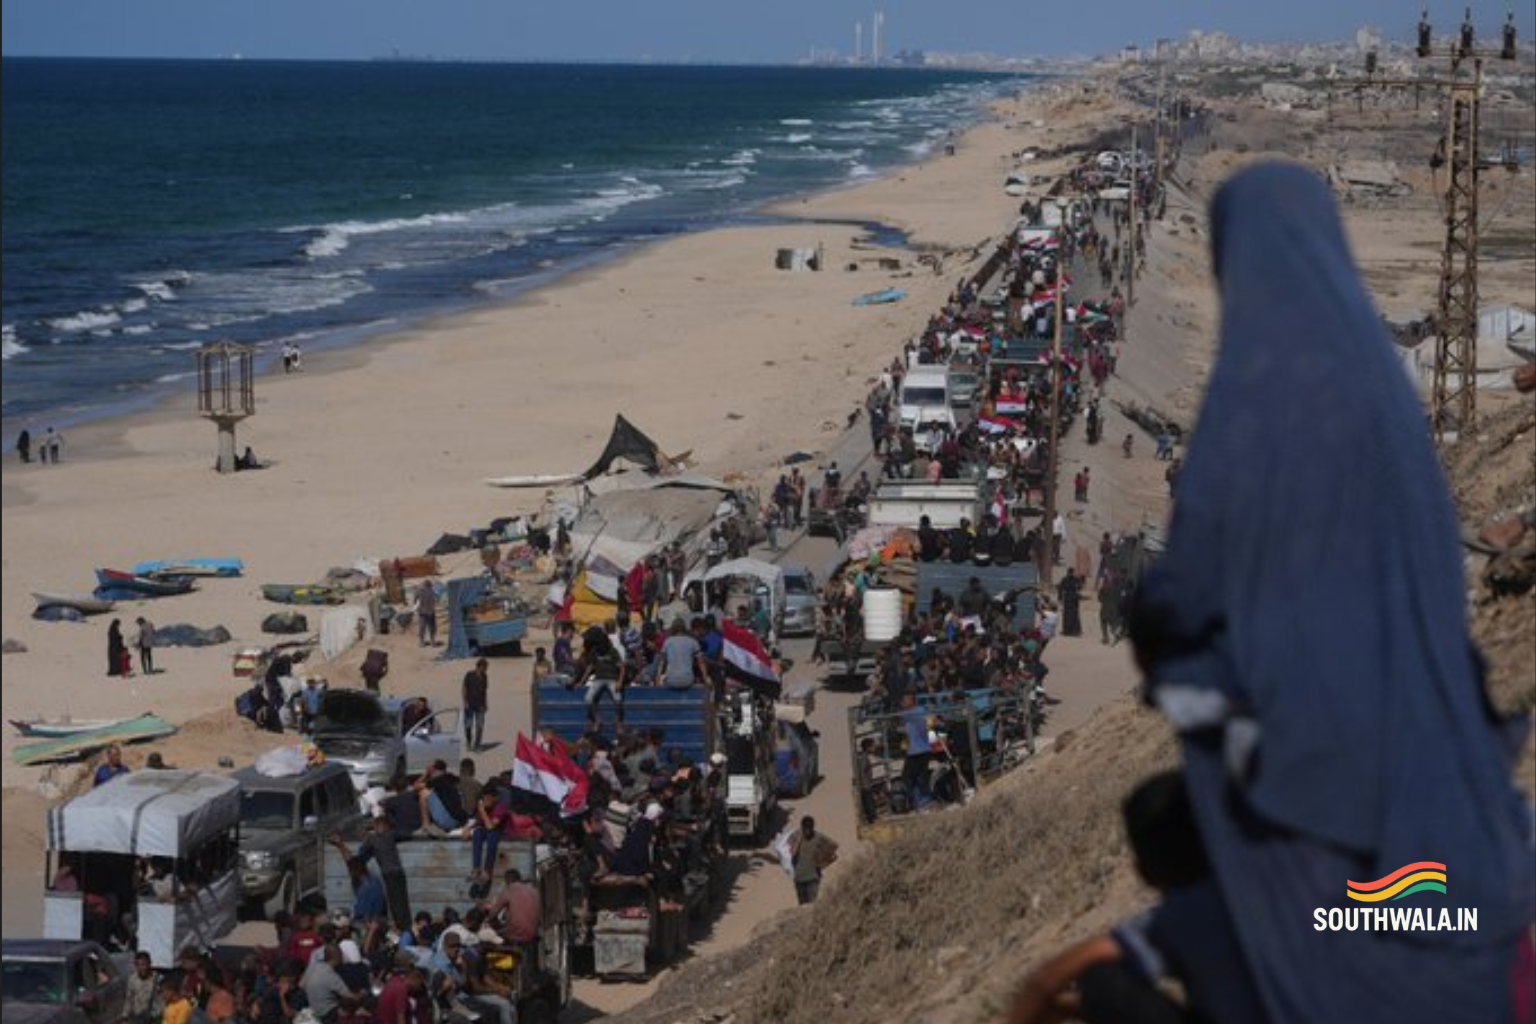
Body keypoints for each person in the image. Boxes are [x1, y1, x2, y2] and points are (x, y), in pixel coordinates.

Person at [1128, 164, 1534, 1022]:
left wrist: (1160, 632)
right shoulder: (1386, 395)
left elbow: (1187, 592)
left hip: (1298, 767)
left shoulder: (1251, 402)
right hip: (1428, 738)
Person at [992, 771, 1262, 1024]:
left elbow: (1046, 980)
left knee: (1102, 982)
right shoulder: (1274, 885)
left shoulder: (1182, 917)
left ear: (1143, 872)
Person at [331, 816, 411, 930]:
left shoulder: (372, 839)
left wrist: (364, 843)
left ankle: (401, 926)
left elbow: (359, 856)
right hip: (398, 872)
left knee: (396, 903)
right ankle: (404, 925)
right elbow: (407, 834)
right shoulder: (390, 835)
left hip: (389, 874)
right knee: (401, 901)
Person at [787, 815, 838, 905]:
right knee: (802, 906)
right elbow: (791, 853)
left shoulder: (818, 837)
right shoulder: (795, 836)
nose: (807, 831)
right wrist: (798, 840)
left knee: (812, 906)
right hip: (799, 879)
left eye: (810, 829)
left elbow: (834, 845)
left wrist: (825, 861)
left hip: (813, 878)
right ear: (802, 827)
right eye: (805, 829)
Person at [484, 867, 542, 945]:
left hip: (514, 933)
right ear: (519, 878)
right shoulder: (534, 891)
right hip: (532, 934)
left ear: (507, 880)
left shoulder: (509, 889)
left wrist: (489, 917)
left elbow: (492, 914)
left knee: (488, 936)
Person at [657, 616, 706, 690]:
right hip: (687, 680)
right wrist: (705, 678)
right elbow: (701, 663)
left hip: (671, 681)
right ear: (684, 628)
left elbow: (661, 662)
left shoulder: (667, 642)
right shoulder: (693, 641)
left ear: (673, 628)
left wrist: (657, 678)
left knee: (662, 678)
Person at [124, 950, 161, 1024]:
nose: (141, 968)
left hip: (152, 1017)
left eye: (144, 964)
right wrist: (125, 1015)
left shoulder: (156, 978)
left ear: (149, 964)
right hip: (137, 1017)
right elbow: (129, 999)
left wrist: (156, 1014)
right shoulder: (132, 979)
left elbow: (160, 999)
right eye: (138, 965)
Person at [462, 658, 489, 751]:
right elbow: (464, 689)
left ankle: (477, 745)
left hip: (480, 705)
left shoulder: (485, 676)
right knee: (468, 726)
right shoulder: (469, 675)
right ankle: (469, 743)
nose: (486, 669)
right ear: (479, 666)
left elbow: (484, 691)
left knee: (480, 726)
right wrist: (465, 702)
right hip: (469, 705)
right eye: (485, 667)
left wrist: (486, 703)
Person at [1056, 567, 1083, 637]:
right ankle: (1075, 631)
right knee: (1074, 614)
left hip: (1068, 598)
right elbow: (1080, 587)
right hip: (1074, 598)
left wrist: (1060, 598)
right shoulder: (1076, 579)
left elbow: (1060, 588)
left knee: (1067, 615)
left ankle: (1067, 631)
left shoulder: (1065, 579)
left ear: (1068, 572)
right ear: (1073, 572)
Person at [414, 580, 439, 646]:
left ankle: (421, 642)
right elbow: (437, 600)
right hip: (431, 611)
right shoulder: (432, 591)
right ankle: (432, 641)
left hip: (422, 612)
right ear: (430, 585)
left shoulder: (418, 591)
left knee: (422, 627)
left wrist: (416, 608)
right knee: (432, 627)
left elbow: (415, 601)